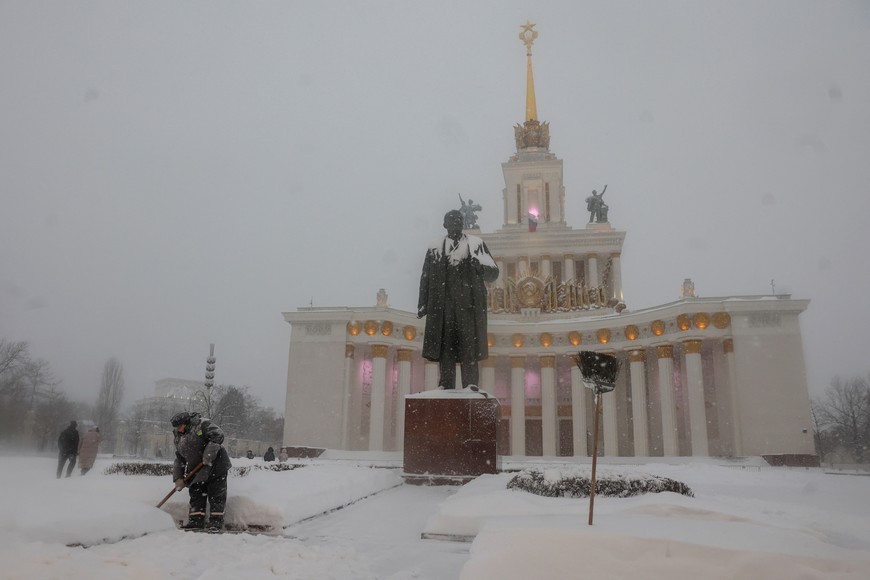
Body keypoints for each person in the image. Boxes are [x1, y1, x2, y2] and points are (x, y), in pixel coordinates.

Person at [418, 209, 499, 389]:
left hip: (468, 308)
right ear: (445, 225)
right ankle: (446, 385)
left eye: (458, 221)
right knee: (446, 348)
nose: (456, 224)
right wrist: (423, 303)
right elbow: (426, 276)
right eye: (452, 221)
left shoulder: (476, 244)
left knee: (468, 347)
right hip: (443, 308)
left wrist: (480, 268)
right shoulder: (435, 247)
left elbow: (494, 273)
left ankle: (470, 385)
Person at [170, 412, 232, 531]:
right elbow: (179, 458)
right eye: (176, 427)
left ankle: (216, 522)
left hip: (216, 464)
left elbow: (218, 435)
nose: (178, 429)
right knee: (196, 493)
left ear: (186, 423)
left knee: (216, 494)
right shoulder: (178, 437)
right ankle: (196, 521)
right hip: (197, 469)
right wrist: (178, 478)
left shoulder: (202, 424)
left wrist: (209, 452)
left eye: (180, 426)